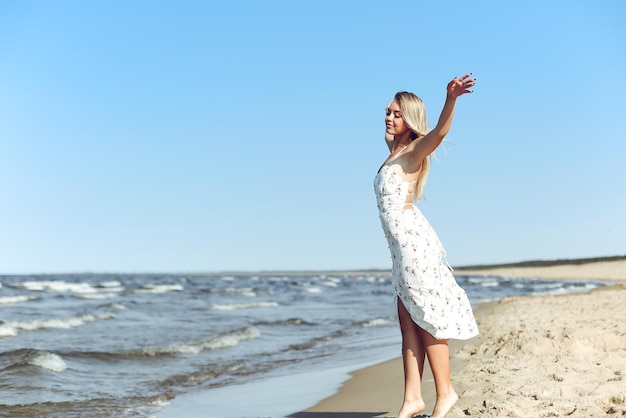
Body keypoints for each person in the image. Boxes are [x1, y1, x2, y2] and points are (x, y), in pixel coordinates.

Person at [373, 73, 479, 418]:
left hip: (415, 247)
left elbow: (439, 133)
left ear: (410, 120)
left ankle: (445, 393)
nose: (389, 118)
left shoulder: (413, 152)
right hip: (399, 251)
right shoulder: (394, 155)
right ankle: (412, 399)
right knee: (408, 322)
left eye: (397, 114)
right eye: (388, 112)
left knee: (427, 318)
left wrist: (451, 99)